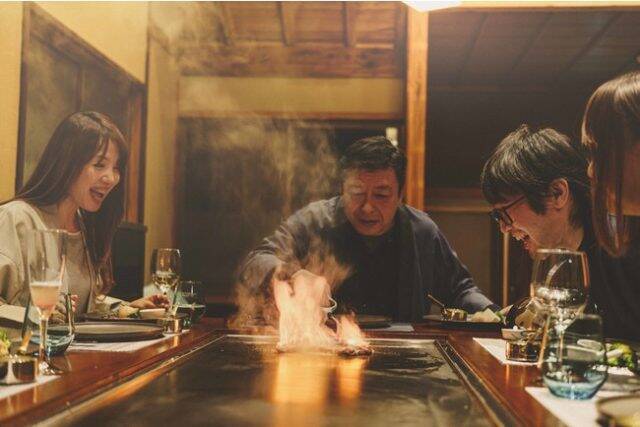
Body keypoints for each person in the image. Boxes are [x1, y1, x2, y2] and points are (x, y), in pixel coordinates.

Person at [239, 136, 497, 323]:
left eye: (381, 195)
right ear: (342, 190)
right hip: (324, 346)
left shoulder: (421, 231)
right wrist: (292, 274)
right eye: (356, 193)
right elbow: (256, 260)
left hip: (404, 354)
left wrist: (495, 314)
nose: (367, 207)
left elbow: (460, 289)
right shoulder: (314, 221)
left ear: (400, 195)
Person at [0, 111, 167, 324]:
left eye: (116, 168)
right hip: (24, 346)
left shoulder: (84, 226)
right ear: (66, 163)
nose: (111, 178)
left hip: (70, 346)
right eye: (99, 165)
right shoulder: (16, 218)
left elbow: (82, 307)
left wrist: (127, 309)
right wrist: (35, 314)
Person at [481, 124, 639, 340]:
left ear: (557, 193)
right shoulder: (557, 260)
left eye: (504, 213)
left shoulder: (623, 247)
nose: (504, 228)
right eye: (497, 216)